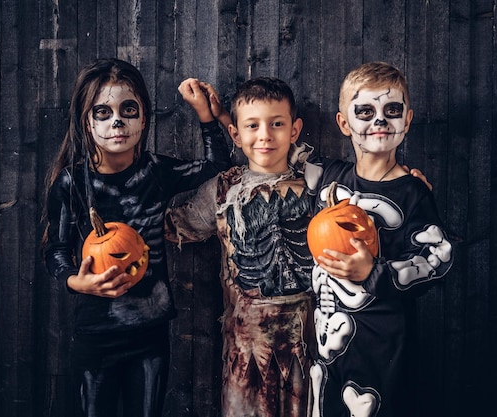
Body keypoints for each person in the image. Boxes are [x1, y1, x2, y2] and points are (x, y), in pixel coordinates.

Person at [41, 58, 232, 417]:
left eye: (128, 110)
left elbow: (216, 166)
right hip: (96, 335)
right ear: (87, 122)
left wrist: (206, 116)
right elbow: (56, 250)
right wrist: (76, 282)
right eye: (103, 112)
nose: (117, 121)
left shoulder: (156, 172)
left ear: (143, 119)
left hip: (150, 334)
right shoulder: (71, 183)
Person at [307, 61, 454, 417]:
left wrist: (374, 271)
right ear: (344, 123)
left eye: (392, 110)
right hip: (325, 341)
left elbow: (439, 258)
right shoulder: (328, 176)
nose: (380, 121)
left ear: (407, 120)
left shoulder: (412, 193)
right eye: (365, 111)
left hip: (382, 344)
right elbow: (274, 151)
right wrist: (220, 120)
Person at [165, 77, 317, 417]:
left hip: (308, 342)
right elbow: (177, 225)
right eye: (252, 126)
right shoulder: (224, 189)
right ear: (236, 134)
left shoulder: (315, 183)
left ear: (294, 130)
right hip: (245, 346)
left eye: (277, 124)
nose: (265, 135)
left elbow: (362, 196)